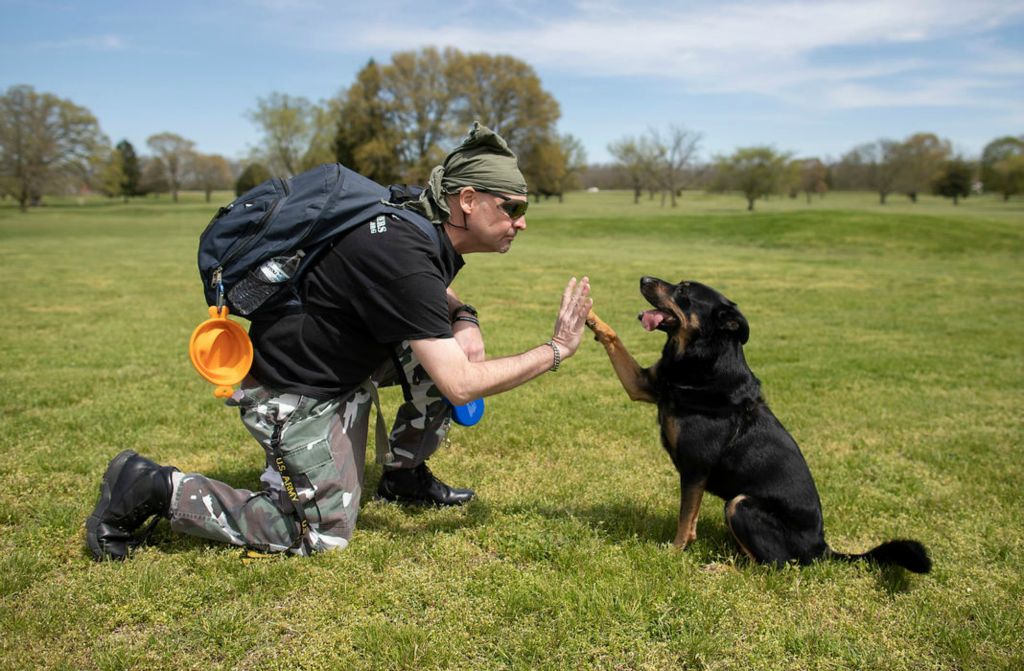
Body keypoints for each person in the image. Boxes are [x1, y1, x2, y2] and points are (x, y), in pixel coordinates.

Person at [86, 124, 593, 560]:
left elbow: (420, 290)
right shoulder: (403, 247)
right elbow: (460, 384)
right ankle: (153, 486)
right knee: (317, 536)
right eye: (512, 207)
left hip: (344, 365)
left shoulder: (411, 218)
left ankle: (403, 476)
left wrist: (463, 316)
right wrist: (555, 350)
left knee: (441, 354)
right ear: (467, 200)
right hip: (297, 391)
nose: (521, 221)